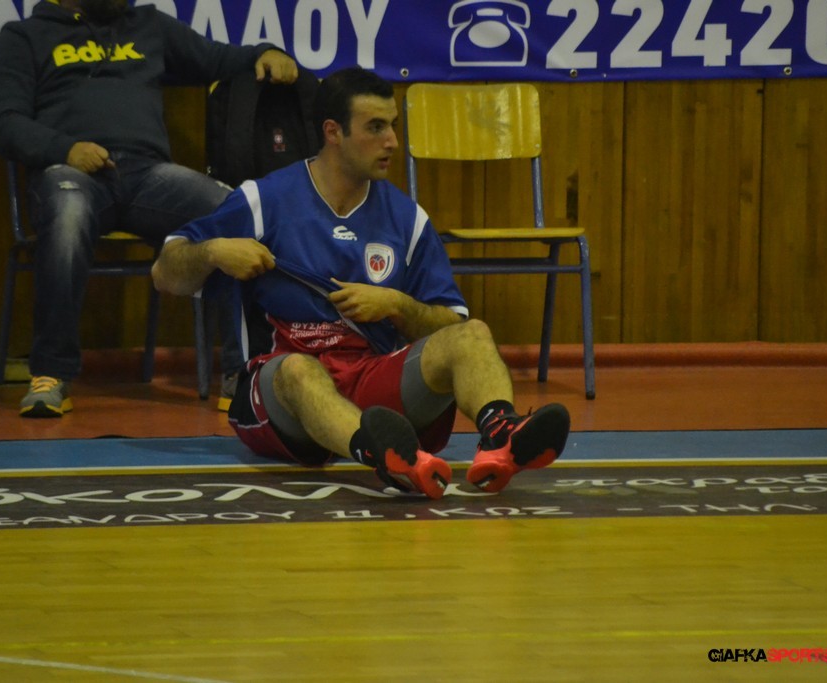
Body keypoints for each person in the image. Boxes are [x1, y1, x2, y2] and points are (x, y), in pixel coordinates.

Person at [152, 67, 570, 499]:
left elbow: (450, 324)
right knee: (298, 370)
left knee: (473, 334)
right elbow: (165, 273)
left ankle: (500, 437)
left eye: (393, 126)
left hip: (370, 380)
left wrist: (396, 305)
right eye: (375, 127)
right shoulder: (263, 201)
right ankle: (382, 453)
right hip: (282, 390)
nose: (392, 141)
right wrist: (213, 250)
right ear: (333, 132)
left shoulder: (407, 219)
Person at [0, 0, 297, 417]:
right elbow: (4, 121)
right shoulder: (25, 36)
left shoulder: (148, 24)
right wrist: (66, 149)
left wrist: (265, 52)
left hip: (148, 176)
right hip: (70, 172)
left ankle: (243, 373)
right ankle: (50, 374)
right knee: (68, 218)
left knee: (234, 210)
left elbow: (217, 58)